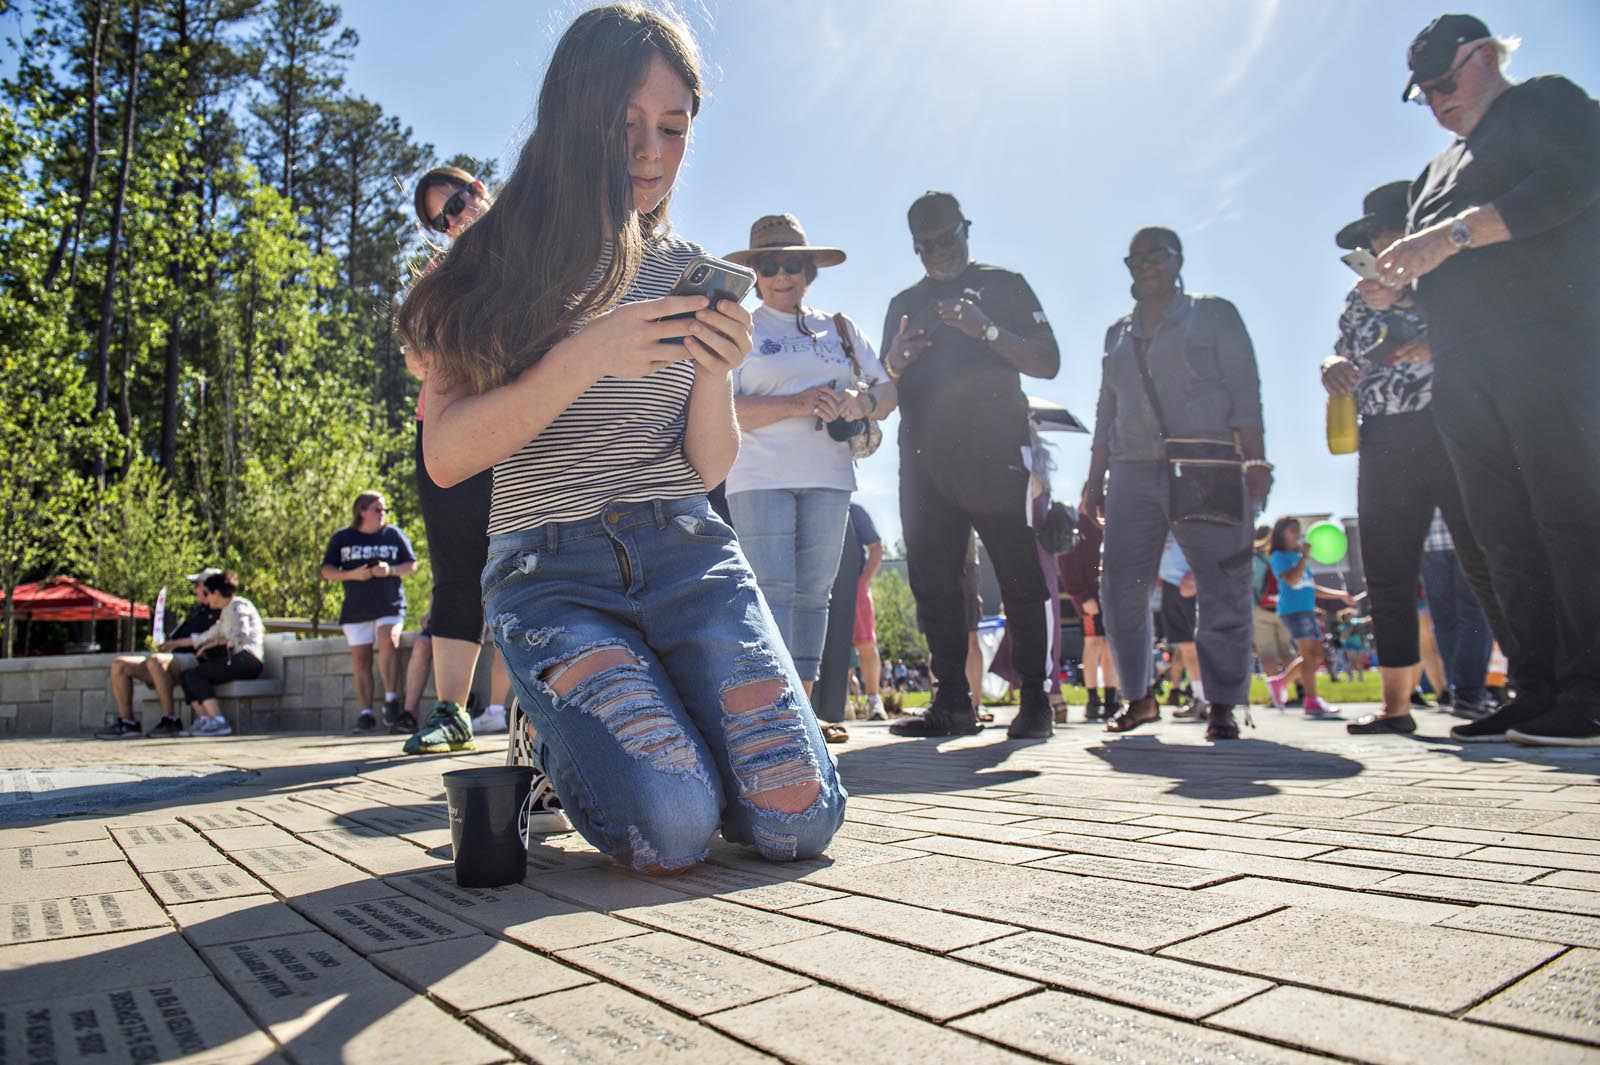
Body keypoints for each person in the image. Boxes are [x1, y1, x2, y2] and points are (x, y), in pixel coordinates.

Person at [395, 4, 844, 873]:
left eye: (671, 128)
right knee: (670, 828)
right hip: (551, 572)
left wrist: (713, 370)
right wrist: (587, 354)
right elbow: (448, 452)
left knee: (800, 822)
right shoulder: (486, 259)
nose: (649, 151)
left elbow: (709, 465)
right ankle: (553, 742)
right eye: (625, 124)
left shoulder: (688, 270)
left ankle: (656, 718)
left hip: (688, 554)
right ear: (573, 117)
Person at [1372, 15, 1600, 745]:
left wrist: (1453, 233)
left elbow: (1575, 181)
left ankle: (1590, 692)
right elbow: (1438, 270)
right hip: (1462, 364)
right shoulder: (1433, 172)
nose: (1437, 100)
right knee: (1502, 533)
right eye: (1424, 93)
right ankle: (1537, 688)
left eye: (1446, 81)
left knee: (1567, 514)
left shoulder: (1545, 103)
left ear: (1488, 55)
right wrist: (1396, 287)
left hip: (1549, 344)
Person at [1323, 181, 1506, 736]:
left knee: (1485, 558)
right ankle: (1396, 706)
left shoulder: (1453, 276)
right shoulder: (1359, 295)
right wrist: (1330, 365)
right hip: (1383, 435)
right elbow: (1345, 346)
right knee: (1386, 573)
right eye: (1375, 236)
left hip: (1451, 425)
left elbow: (1495, 333)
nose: (1383, 243)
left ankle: (1531, 683)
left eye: (1391, 230)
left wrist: (1421, 322)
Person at [882, 191, 1062, 740]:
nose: (936, 251)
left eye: (946, 238)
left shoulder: (1005, 284)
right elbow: (885, 378)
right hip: (923, 458)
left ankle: (1035, 699)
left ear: (966, 229)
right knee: (932, 581)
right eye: (924, 245)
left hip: (995, 452)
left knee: (1016, 575)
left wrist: (986, 330)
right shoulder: (904, 300)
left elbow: (1049, 361)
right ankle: (952, 702)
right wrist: (897, 360)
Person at [1083, 227, 1270, 742]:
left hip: (1207, 461)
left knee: (1222, 581)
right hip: (1132, 467)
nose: (1146, 265)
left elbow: (1244, 387)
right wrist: (1095, 475)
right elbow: (1107, 407)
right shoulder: (1117, 334)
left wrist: (1256, 459)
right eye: (1136, 258)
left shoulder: (1214, 314)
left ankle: (1223, 703)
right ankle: (1139, 697)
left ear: (1178, 259)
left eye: (1157, 256)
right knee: (1120, 584)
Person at [722, 214, 896, 702]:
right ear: (755, 272)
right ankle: (777, 709)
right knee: (771, 588)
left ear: (809, 269)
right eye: (770, 265)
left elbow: (888, 389)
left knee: (815, 594)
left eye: (792, 264)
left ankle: (804, 708)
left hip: (830, 474)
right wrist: (795, 404)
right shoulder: (741, 327)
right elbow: (720, 409)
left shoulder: (838, 327)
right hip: (758, 476)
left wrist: (858, 403)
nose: (782, 276)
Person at [407, 166, 515, 754]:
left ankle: (542, 706)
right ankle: (451, 712)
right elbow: (415, 354)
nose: (457, 215)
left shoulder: (533, 247)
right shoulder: (437, 276)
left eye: (462, 197)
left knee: (533, 556)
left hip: (518, 426)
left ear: (481, 189)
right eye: (441, 217)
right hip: (444, 429)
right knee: (456, 568)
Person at [320, 491, 418, 734]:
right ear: (361, 511)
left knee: (388, 639)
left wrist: (390, 570)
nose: (382, 514)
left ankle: (391, 698)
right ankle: (366, 714)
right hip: (356, 609)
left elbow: (411, 565)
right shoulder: (343, 537)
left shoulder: (393, 534)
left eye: (385, 510)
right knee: (361, 660)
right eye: (377, 509)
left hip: (389, 604)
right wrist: (352, 574)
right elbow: (327, 570)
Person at [989, 424, 1064, 728]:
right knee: (1018, 618)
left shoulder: (1034, 459)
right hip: (1015, 540)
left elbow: (1033, 489)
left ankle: (1050, 690)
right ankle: (1026, 687)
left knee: (1047, 617)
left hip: (1036, 547)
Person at [97, 568, 222, 739]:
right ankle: (127, 723)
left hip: (196, 660)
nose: (195, 589)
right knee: (120, 664)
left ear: (210, 587)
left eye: (198, 585)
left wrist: (175, 645)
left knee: (155, 660)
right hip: (174, 658)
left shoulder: (219, 610)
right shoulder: (196, 611)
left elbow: (210, 640)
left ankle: (169, 719)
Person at [1265, 518, 1355, 719]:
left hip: (1305, 610)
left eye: (1298, 531)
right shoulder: (1280, 557)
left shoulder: (1297, 557)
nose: (1297, 535)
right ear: (1281, 534)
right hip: (1293, 611)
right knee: (1310, 654)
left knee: (1317, 654)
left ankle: (1281, 682)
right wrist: (1304, 557)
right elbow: (1291, 579)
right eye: (1293, 531)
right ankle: (1311, 700)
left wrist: (1340, 595)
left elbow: (1310, 586)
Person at [168, 571, 265, 738]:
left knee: (197, 675)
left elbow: (241, 633)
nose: (206, 599)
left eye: (207, 593)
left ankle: (218, 721)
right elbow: (205, 636)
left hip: (248, 659)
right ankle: (205, 719)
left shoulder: (239, 605)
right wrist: (174, 644)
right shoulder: (225, 612)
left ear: (217, 593)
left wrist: (215, 643)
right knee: (186, 675)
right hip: (236, 660)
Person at [1420, 511, 1495, 717]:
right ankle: (1469, 694)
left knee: (1445, 621)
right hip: (1467, 532)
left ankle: (1459, 692)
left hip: (1429, 539)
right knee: (1475, 614)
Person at [1059, 510, 1120, 723]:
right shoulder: (1078, 524)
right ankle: (1093, 699)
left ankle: (1112, 698)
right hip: (1090, 597)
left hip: (1111, 597)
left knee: (1110, 646)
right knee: (1094, 643)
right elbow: (1067, 564)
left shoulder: (1112, 523)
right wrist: (1080, 595)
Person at [1157, 534, 1206, 721]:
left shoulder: (1186, 512)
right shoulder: (1159, 516)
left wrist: (1195, 573)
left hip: (1192, 583)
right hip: (1170, 585)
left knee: (1200, 645)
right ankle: (1200, 697)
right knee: (1185, 647)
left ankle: (1214, 699)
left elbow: (1205, 542)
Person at [846, 502, 887, 721]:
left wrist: (863, 582)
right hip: (826, 586)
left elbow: (877, 547)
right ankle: (840, 703)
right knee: (830, 649)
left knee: (866, 645)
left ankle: (874, 701)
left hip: (855, 586)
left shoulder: (855, 510)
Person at [1250, 526, 1296, 682]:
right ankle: (1299, 688)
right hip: (1283, 608)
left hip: (1259, 608)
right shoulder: (1281, 556)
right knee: (1287, 652)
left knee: (1268, 655)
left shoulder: (1253, 559)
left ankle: (1277, 695)